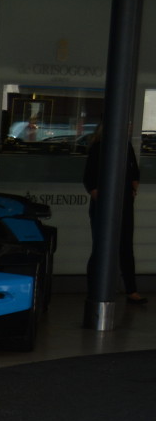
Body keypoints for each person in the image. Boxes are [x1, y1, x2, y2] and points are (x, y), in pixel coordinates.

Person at [84, 125, 146, 304]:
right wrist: (101, 199)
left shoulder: (126, 147)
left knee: (125, 245)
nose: (127, 130)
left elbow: (134, 171)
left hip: (124, 202)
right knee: (101, 247)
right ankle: (96, 289)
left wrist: (132, 189)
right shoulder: (99, 148)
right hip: (105, 203)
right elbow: (89, 178)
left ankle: (131, 289)